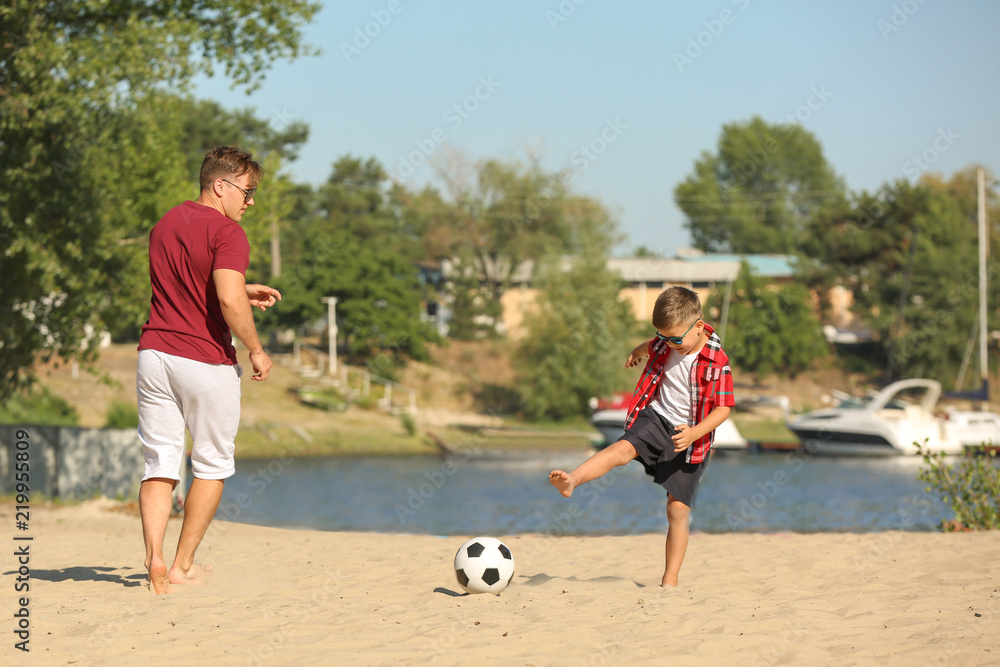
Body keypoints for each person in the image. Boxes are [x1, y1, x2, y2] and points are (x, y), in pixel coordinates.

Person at [135, 145, 281, 595]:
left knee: (159, 462)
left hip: (154, 354)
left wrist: (241, 283)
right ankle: (181, 565)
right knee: (212, 464)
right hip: (203, 360)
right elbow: (227, 299)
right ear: (221, 185)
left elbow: (191, 279)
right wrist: (255, 348)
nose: (250, 201)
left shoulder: (166, 223)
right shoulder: (228, 233)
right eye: (247, 190)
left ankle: (154, 556)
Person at [549, 286, 734, 588]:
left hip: (690, 436)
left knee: (677, 508)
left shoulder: (716, 361)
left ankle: (669, 581)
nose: (670, 345)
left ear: (698, 327)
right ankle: (573, 480)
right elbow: (650, 344)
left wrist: (694, 434)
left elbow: (723, 408)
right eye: (664, 337)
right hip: (656, 418)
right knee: (621, 449)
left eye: (676, 338)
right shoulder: (665, 343)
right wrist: (637, 352)